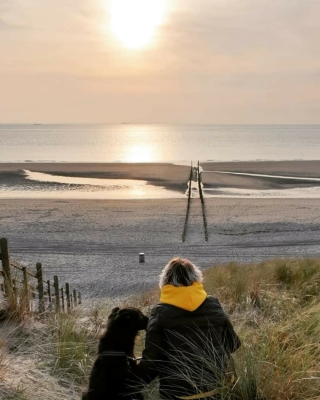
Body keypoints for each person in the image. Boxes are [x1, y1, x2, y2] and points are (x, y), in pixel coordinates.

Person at [137, 257, 241, 400]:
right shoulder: (213, 304)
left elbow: (152, 363)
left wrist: (131, 381)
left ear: (165, 282)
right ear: (196, 279)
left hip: (177, 394)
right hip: (216, 389)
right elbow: (233, 343)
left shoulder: (160, 313)